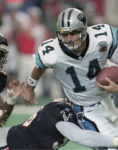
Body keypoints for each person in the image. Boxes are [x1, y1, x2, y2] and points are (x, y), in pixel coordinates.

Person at [22, 8, 118, 150]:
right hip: (85, 109)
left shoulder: (103, 36)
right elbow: (40, 66)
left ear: (84, 30)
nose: (68, 39)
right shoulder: (52, 51)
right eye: (65, 34)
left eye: (73, 33)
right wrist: (30, 87)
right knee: (111, 146)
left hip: (107, 100)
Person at [0, 98, 118, 150]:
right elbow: (78, 136)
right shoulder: (63, 111)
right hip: (7, 143)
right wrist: (114, 141)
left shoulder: (71, 111)